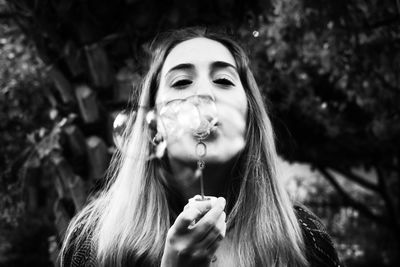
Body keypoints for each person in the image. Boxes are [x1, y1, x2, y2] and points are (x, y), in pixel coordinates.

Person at [59, 27, 342, 267]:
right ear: (153, 125)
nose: (203, 94)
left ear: (249, 118)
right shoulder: (94, 243)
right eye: (181, 82)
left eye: (223, 80)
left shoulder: (304, 241)